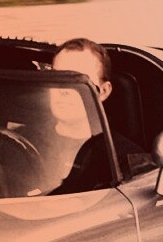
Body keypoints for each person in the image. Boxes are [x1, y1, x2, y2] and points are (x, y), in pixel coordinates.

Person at [48, 37, 145, 193]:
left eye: (78, 81)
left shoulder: (123, 159)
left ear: (104, 91)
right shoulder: (17, 143)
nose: (63, 90)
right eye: (57, 78)